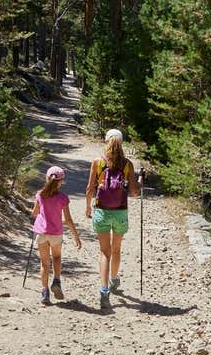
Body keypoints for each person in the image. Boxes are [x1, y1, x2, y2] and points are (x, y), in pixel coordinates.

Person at [85, 128, 141, 310]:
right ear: (121, 143)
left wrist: (87, 207)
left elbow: (89, 188)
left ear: (106, 141)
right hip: (120, 212)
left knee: (104, 252)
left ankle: (103, 290)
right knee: (116, 249)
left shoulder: (97, 162)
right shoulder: (127, 165)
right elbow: (134, 192)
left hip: (101, 210)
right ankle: (114, 280)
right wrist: (140, 181)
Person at [32, 165, 82, 304]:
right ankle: (56, 281)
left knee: (44, 262)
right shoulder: (63, 198)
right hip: (56, 234)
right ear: (61, 182)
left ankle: (44, 292)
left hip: (42, 233)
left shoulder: (40, 194)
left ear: (47, 178)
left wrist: (40, 215)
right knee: (57, 257)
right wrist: (75, 236)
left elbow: (34, 213)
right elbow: (68, 219)